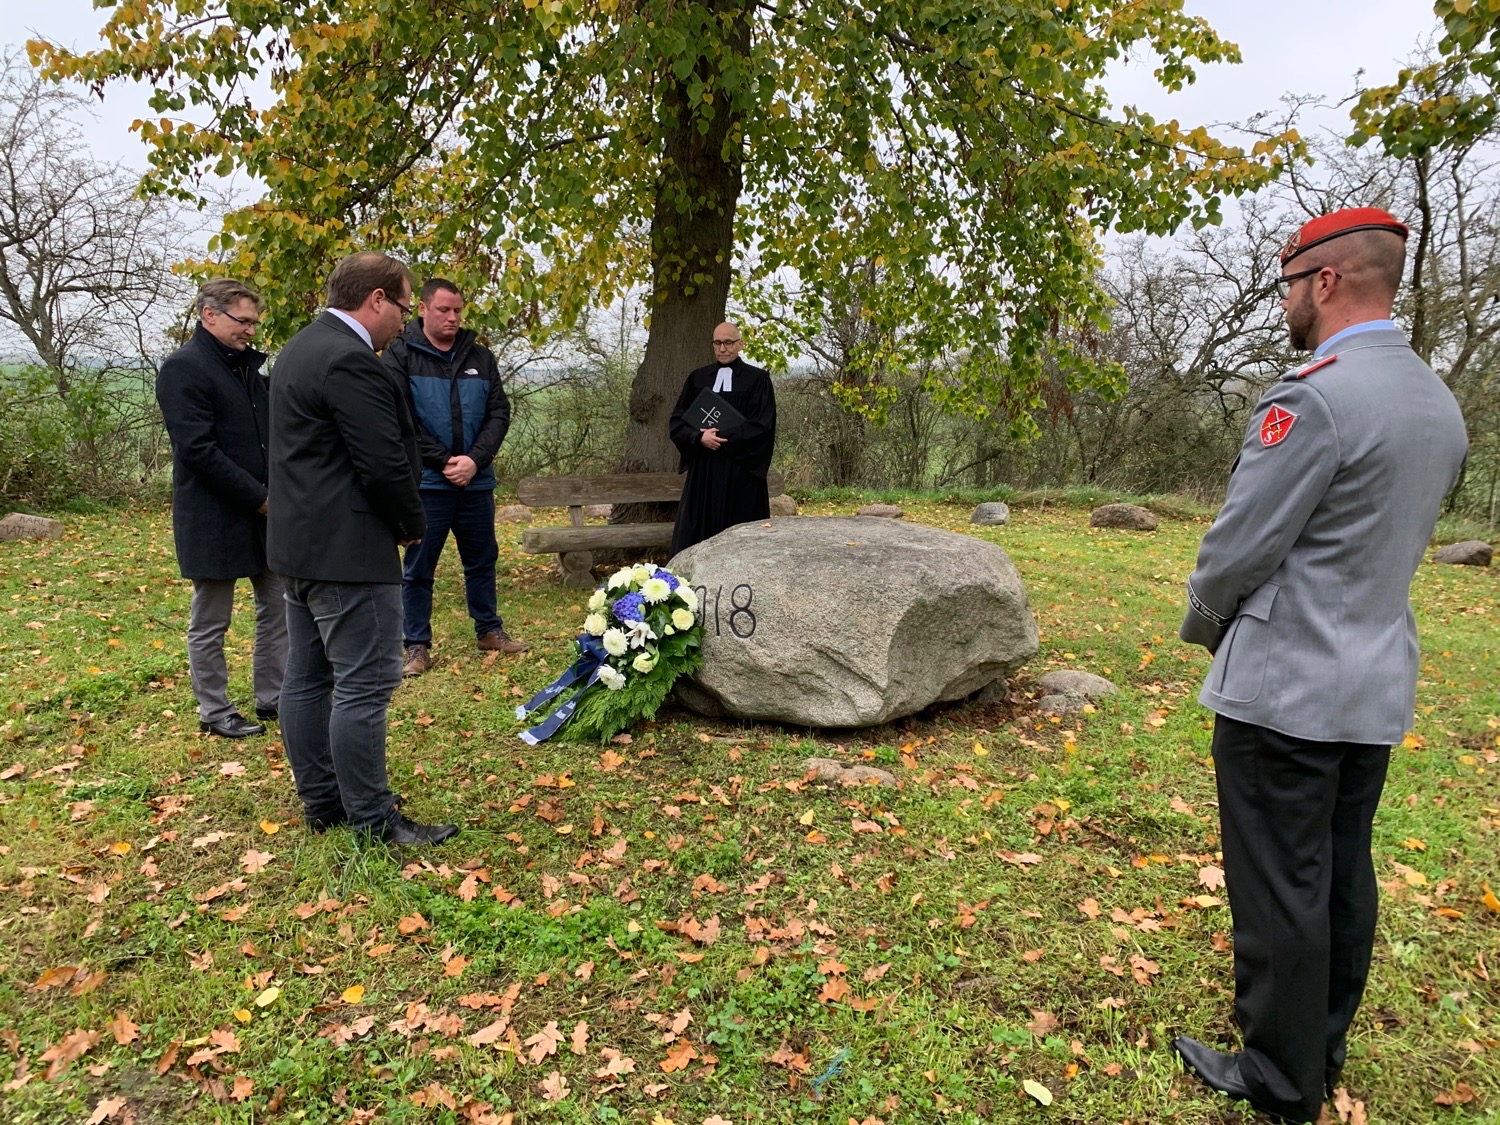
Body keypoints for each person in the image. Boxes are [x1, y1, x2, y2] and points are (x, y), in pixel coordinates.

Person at [1174, 207, 1468, 1123]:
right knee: (1341, 871)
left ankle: (1279, 1074)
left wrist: (1206, 624)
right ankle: (1321, 1046)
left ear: (1326, 280)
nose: (1288, 302)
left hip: (1285, 687)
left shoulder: (1313, 397)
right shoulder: (1436, 402)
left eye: (1291, 284)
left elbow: (1237, 548)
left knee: (1276, 885)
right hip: (1373, 677)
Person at [267, 251, 458, 846]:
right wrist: (411, 523)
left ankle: (323, 802)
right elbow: (381, 463)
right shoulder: (351, 362)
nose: (404, 320)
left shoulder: (299, 347)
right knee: (365, 684)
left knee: (307, 677)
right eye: (403, 306)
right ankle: (373, 820)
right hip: (348, 551)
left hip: (298, 545)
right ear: (376, 299)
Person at [156, 279, 286, 739]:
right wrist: (259, 496)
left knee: (278, 607)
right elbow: (197, 449)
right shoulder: (184, 369)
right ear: (209, 315)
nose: (251, 330)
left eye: (254, 322)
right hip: (215, 516)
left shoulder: (248, 370)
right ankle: (215, 710)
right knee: (212, 618)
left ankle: (274, 697)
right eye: (243, 321)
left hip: (264, 513)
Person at [383, 278, 526, 677]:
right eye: (444, 309)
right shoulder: (400, 355)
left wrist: (474, 461)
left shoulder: (480, 355)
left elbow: (499, 413)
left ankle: (489, 630)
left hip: (476, 483)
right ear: (423, 309)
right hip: (428, 484)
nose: (452, 317)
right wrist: (446, 461)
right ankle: (416, 645)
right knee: (418, 567)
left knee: (482, 560)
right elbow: (401, 419)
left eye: (458, 310)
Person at [667, 321, 777, 555]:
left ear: (740, 344)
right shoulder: (698, 379)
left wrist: (720, 437)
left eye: (728, 342)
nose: (723, 348)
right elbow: (677, 423)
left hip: (741, 472)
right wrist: (699, 438)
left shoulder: (757, 380)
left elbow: (762, 425)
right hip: (704, 474)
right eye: (718, 343)